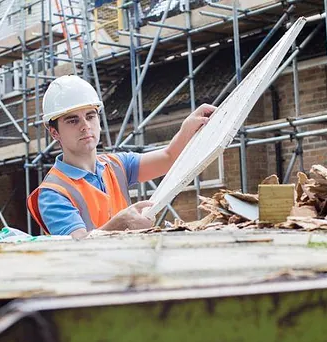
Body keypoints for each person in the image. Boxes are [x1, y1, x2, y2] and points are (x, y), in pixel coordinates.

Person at [27, 75, 216, 238]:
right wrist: (120, 224)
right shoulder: (53, 193)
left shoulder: (117, 165)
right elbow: (78, 248)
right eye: (73, 120)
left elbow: (169, 157)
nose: (85, 125)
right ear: (54, 133)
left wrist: (187, 128)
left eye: (90, 116)